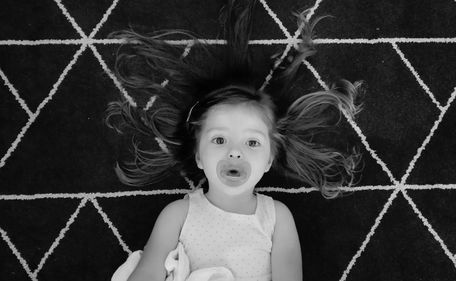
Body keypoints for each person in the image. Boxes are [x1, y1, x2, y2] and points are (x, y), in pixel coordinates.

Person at [105, 1, 363, 280]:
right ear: (199, 156)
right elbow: (146, 273)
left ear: (268, 160)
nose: (235, 152)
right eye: (219, 140)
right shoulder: (178, 214)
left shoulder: (277, 217)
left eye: (252, 143)